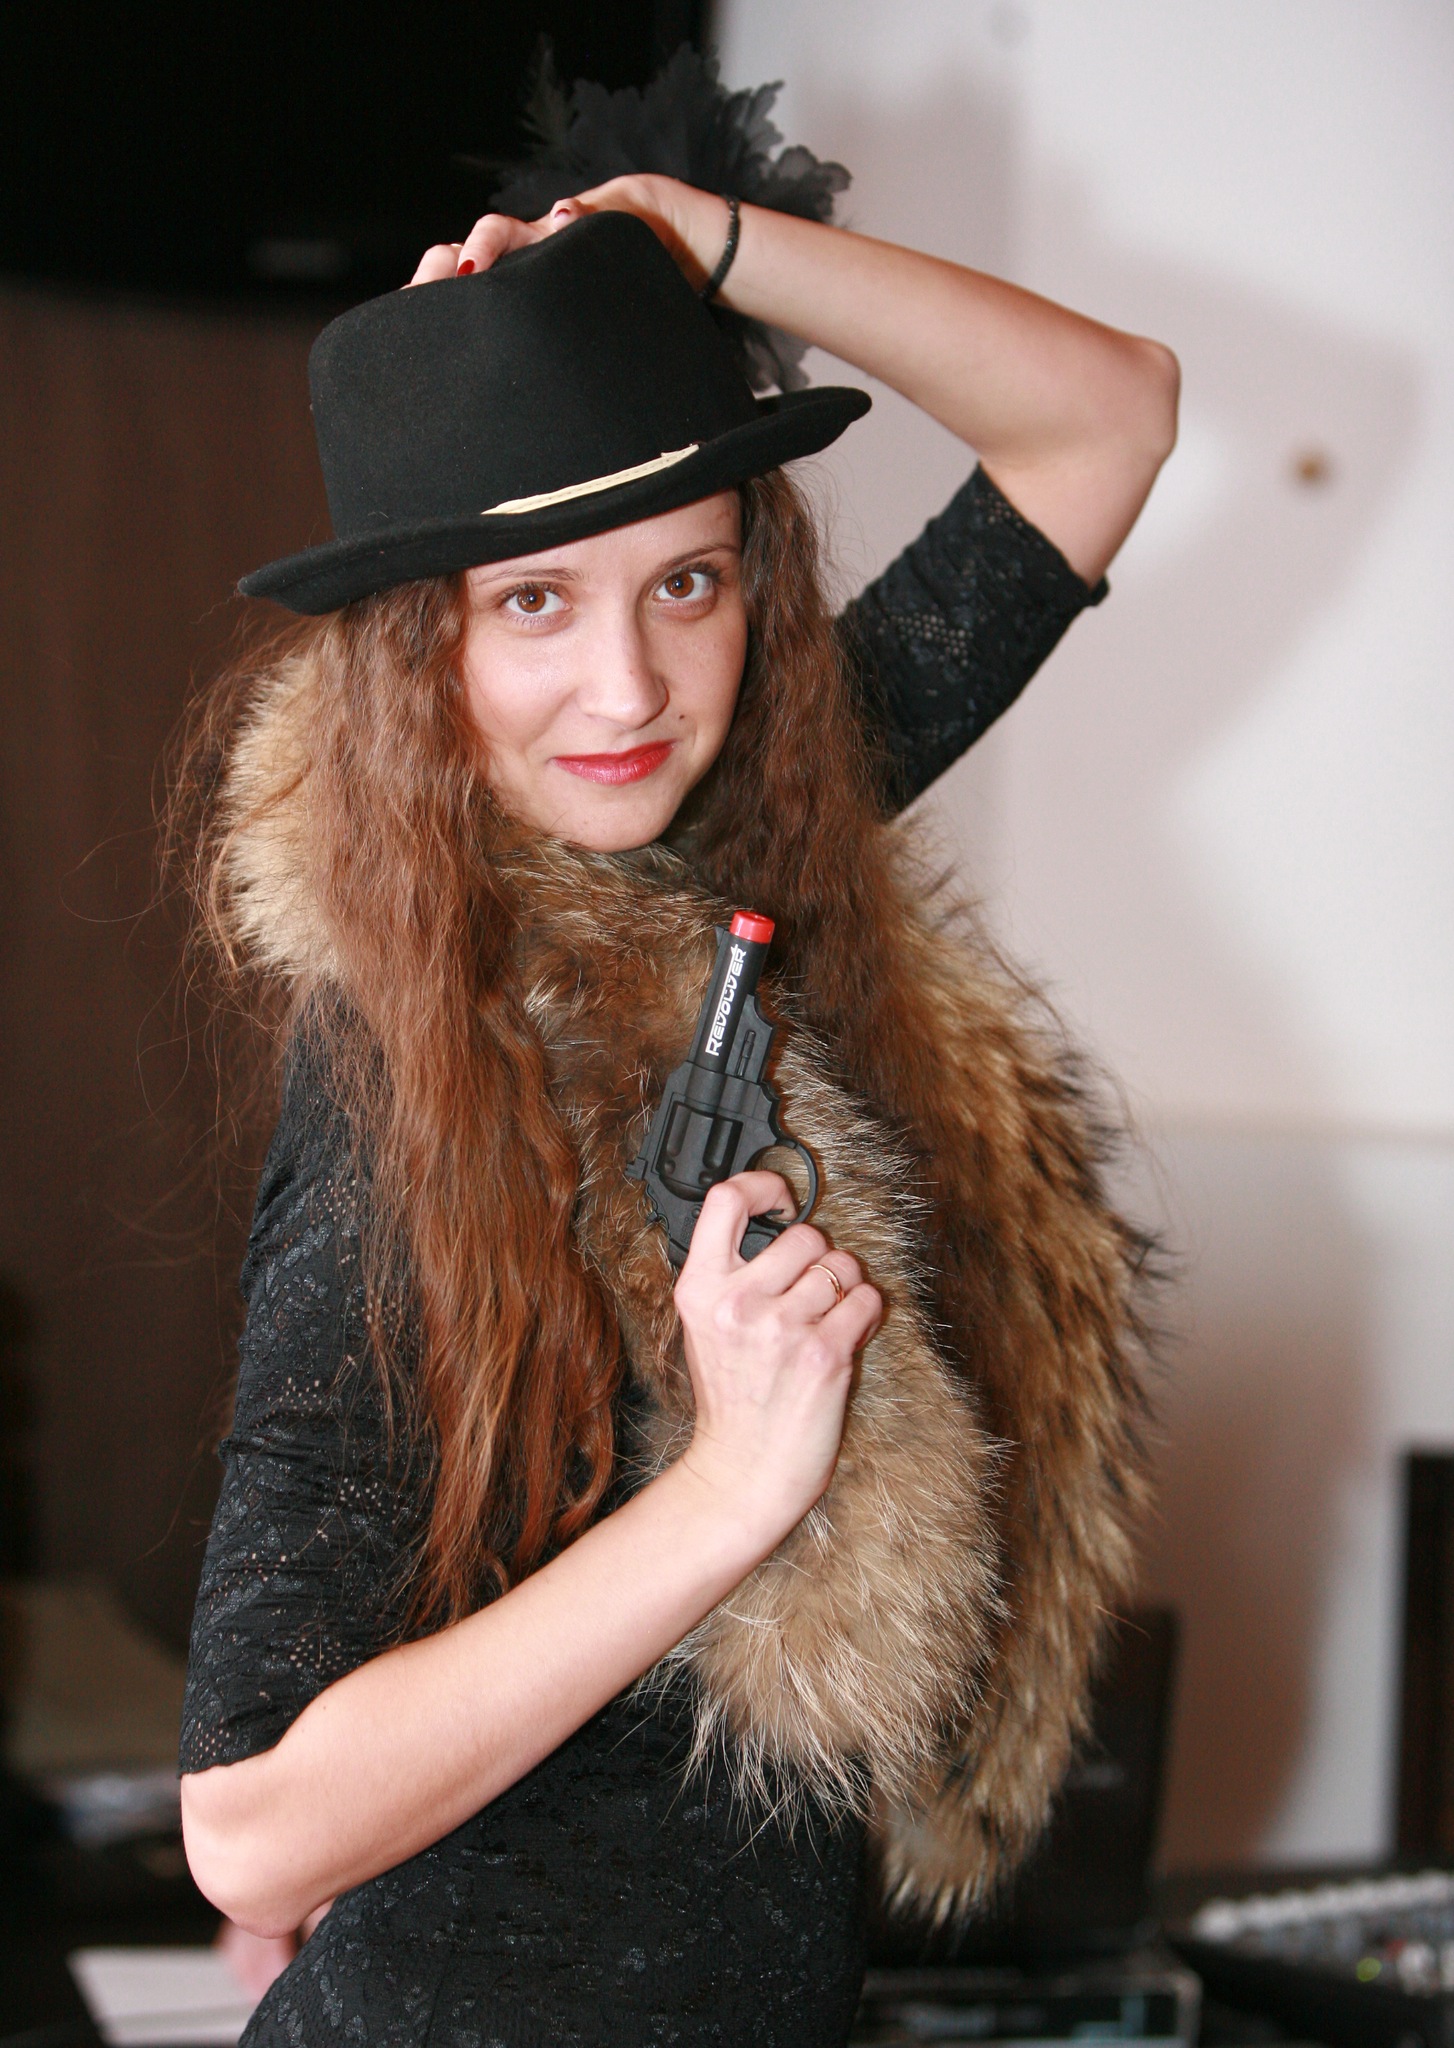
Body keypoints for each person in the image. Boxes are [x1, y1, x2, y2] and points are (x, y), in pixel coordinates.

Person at [175, 142, 1177, 2048]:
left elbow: (1104, 417)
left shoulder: (731, 852)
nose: (628, 687)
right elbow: (251, 1831)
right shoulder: (410, 1066)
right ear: (415, 650)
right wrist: (730, 1486)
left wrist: (685, 238)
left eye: (687, 581)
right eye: (532, 603)